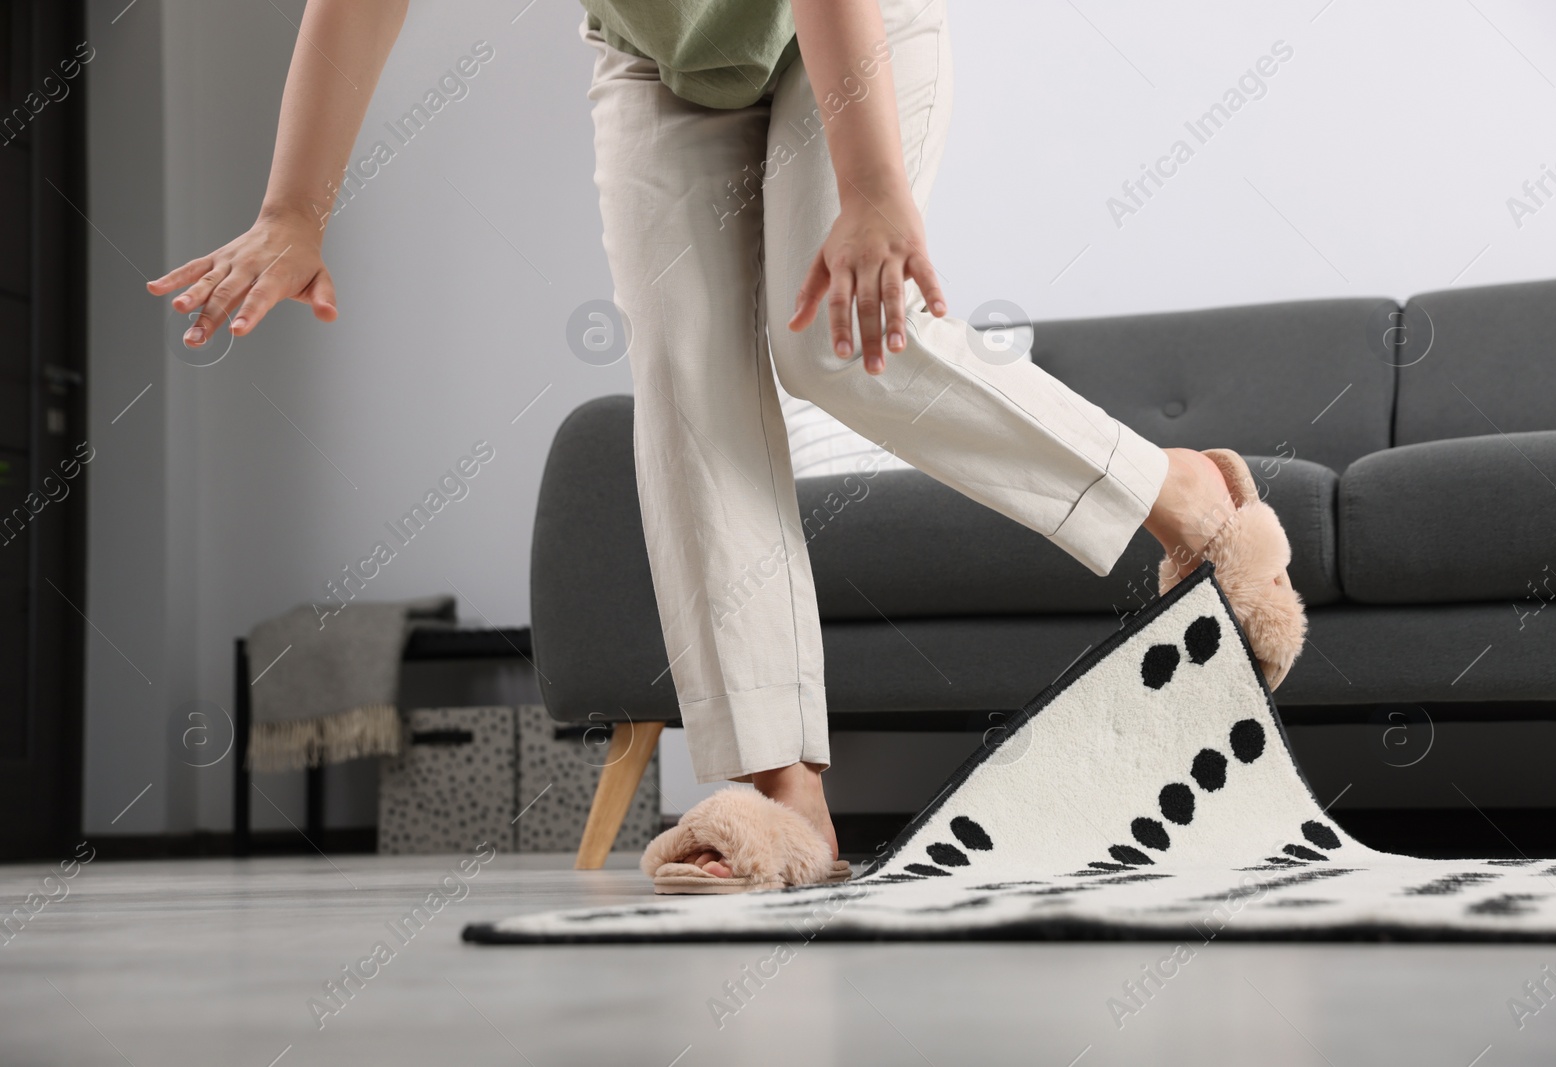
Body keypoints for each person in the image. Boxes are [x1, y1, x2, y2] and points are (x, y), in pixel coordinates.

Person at [148, 0, 1305, 892]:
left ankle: (1188, 496)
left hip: (841, 29)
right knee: (688, 383)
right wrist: (294, 208)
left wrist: (869, 189)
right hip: (656, 58)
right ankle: (782, 795)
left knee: (844, 346)